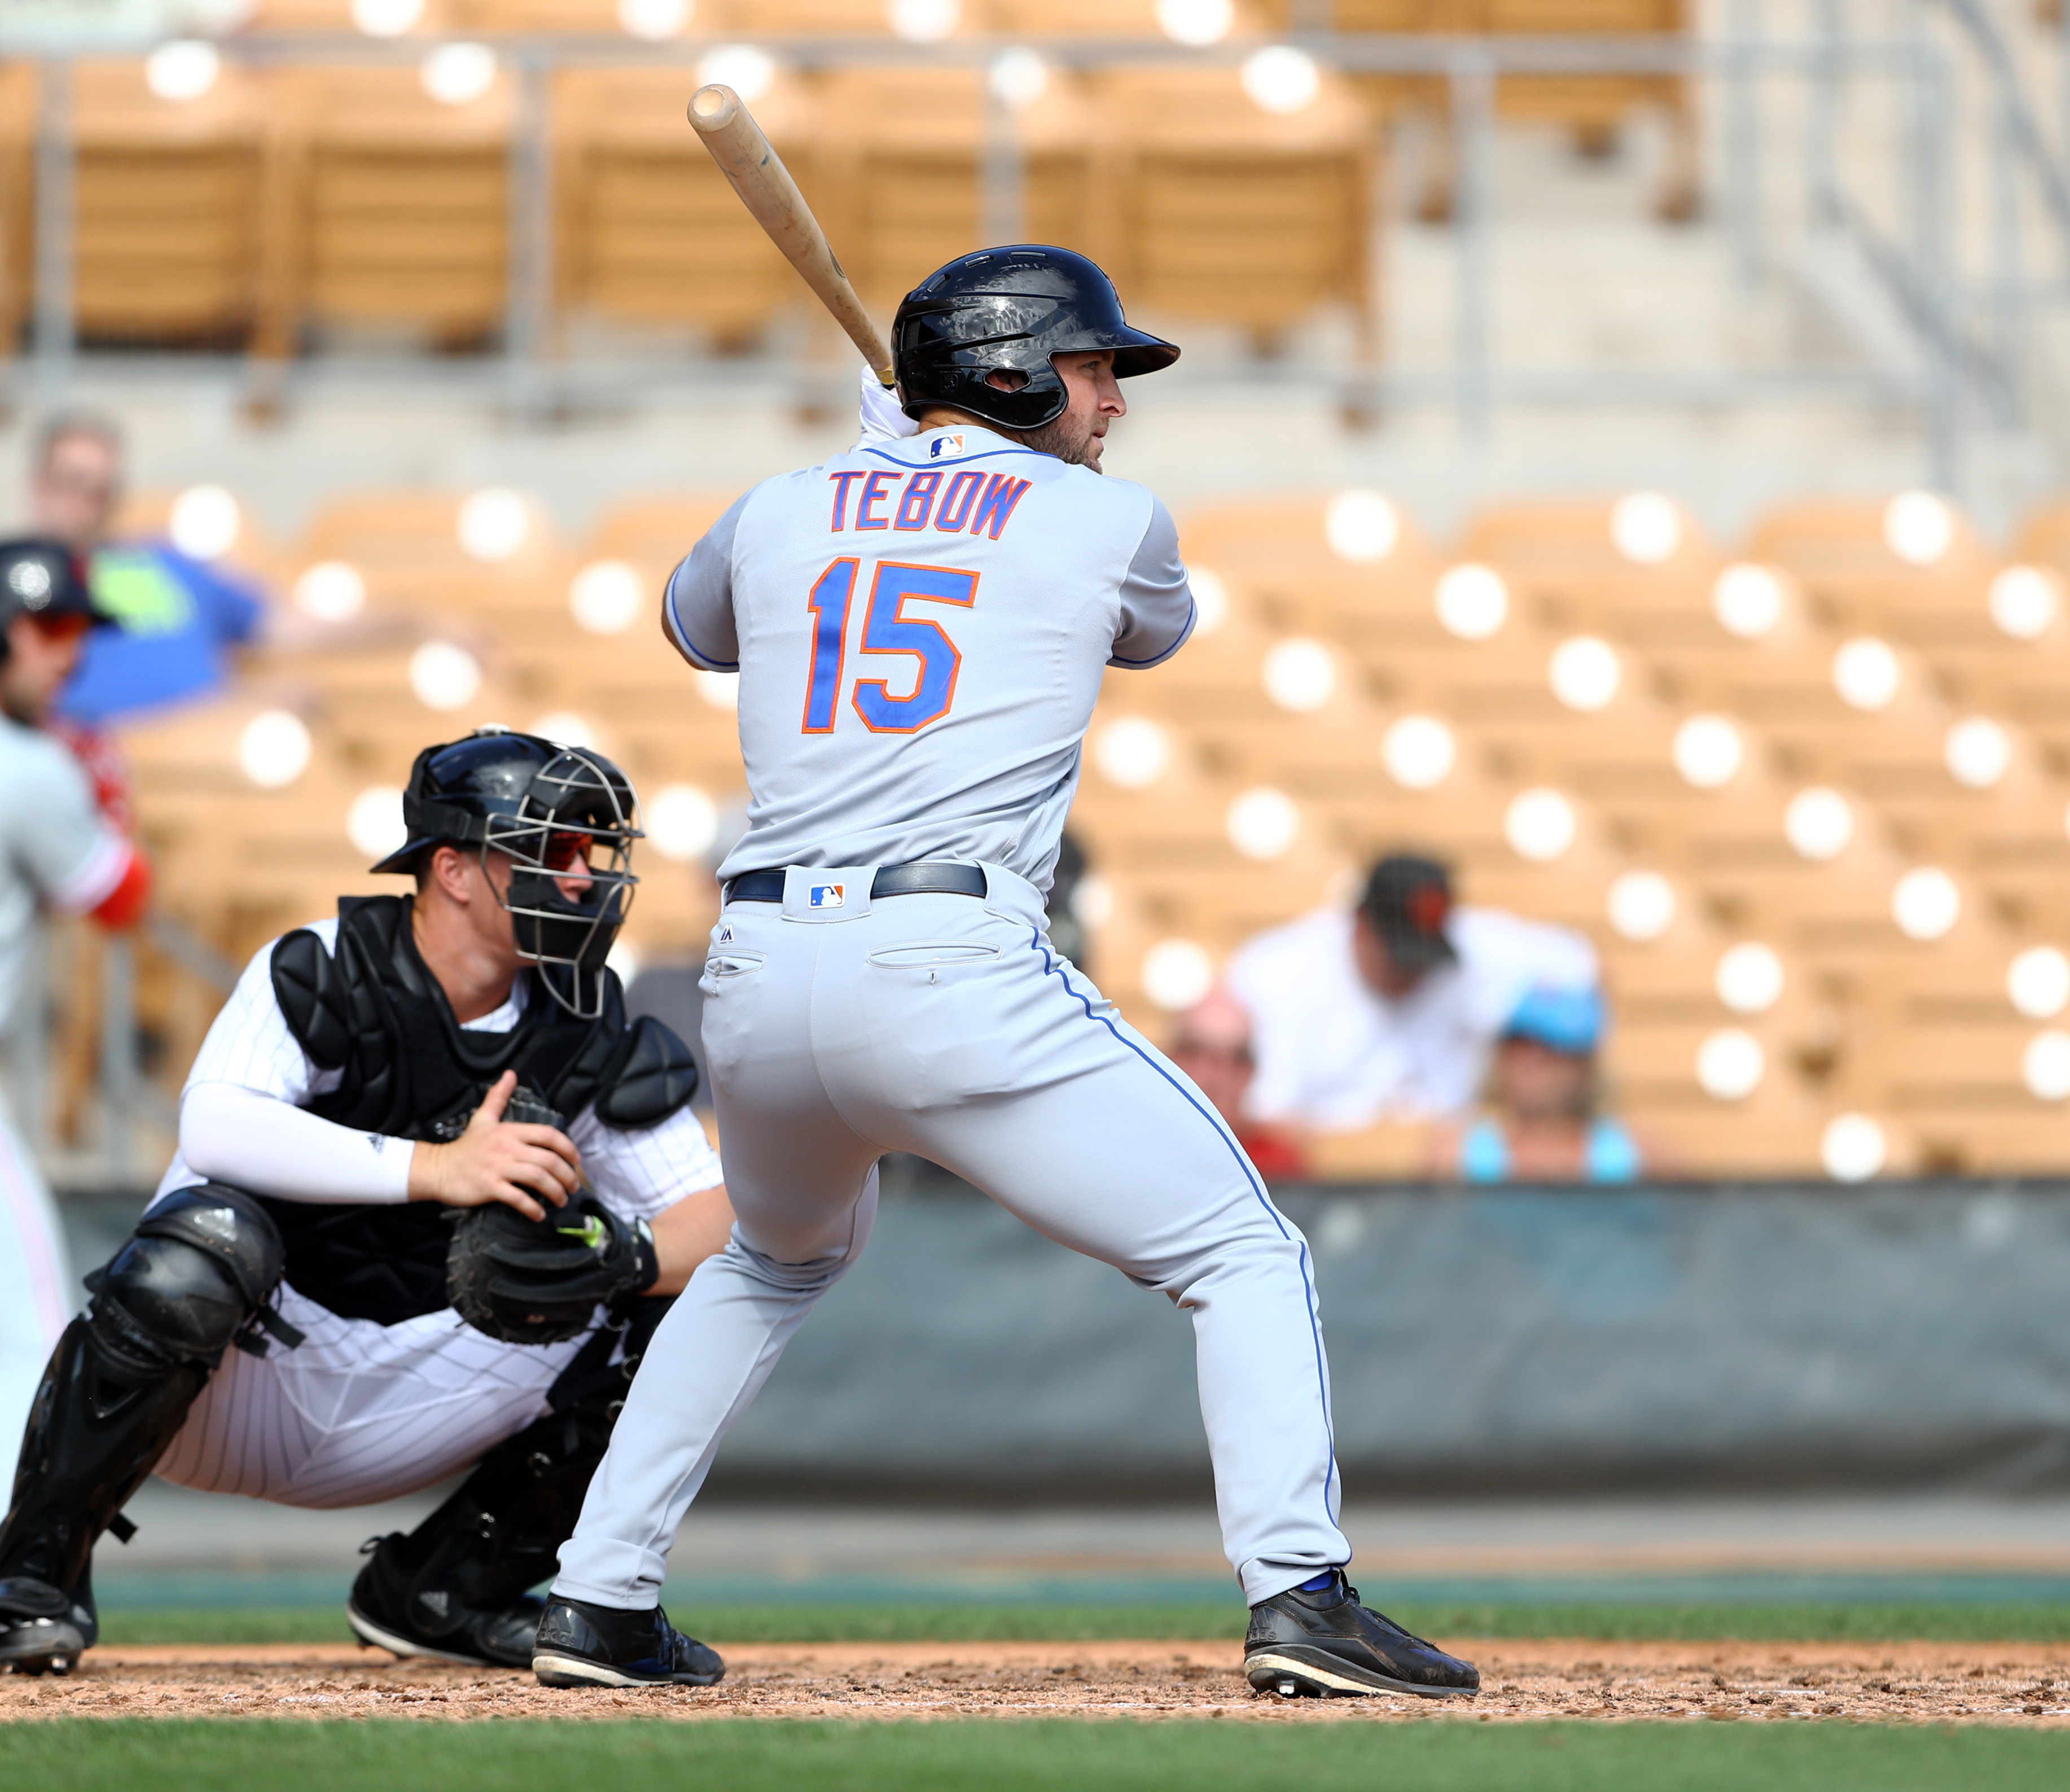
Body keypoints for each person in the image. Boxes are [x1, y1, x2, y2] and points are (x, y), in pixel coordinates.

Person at [533, 244, 1478, 1703]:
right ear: (1013, 370)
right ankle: (1298, 1586)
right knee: (1242, 1251)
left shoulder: (782, 504)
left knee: (770, 1255)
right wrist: (924, 478)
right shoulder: (1105, 519)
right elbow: (1152, 623)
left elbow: (689, 622)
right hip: (943, 957)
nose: (1113, 398)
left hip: (759, 969)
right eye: (1094, 366)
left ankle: (596, 1591)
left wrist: (870, 474)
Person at [0, 729, 735, 1677]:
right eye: (552, 849)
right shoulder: (324, 967)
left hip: (428, 1390)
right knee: (200, 1244)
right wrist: (436, 1170)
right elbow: (217, 1127)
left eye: (594, 852)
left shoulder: (585, 1019)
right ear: (453, 869)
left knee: (678, 1305)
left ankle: (445, 1592)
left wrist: (621, 1259)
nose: (584, 876)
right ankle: (32, 1578)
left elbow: (713, 1221)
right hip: (236, 1378)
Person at [0, 541, 150, 1490]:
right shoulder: (30, 766)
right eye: (50, 629)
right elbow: (119, 896)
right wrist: (104, 793)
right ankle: (18, 1566)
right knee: (31, 1331)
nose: (71, 653)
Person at [1222, 855, 1601, 1136]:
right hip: (1319, 1186)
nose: (1414, 973)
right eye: (1399, 959)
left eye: (1424, 958)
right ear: (1359, 928)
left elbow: (1580, 964)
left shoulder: (1476, 947)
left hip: (1442, 1184)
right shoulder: (1280, 971)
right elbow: (1261, 1119)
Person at [27, 413, 266, 730]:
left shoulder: (165, 563)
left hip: (220, 747)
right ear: (39, 486)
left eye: (103, 490)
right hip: (81, 757)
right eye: (74, 482)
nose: (87, 504)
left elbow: (278, 624)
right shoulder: (20, 579)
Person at [1442, 987, 1646, 1184]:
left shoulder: (1639, 1157)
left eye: (1547, 1049)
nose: (1528, 1062)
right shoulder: (1455, 1159)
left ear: (1582, 1064)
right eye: (1518, 1045)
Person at [1168, 991, 1309, 1180]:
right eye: (1193, 1051)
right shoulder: (1142, 1150)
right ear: (1169, 1058)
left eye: (1236, 1058)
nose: (1210, 1074)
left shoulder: (1278, 1163)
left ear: (1250, 1070)